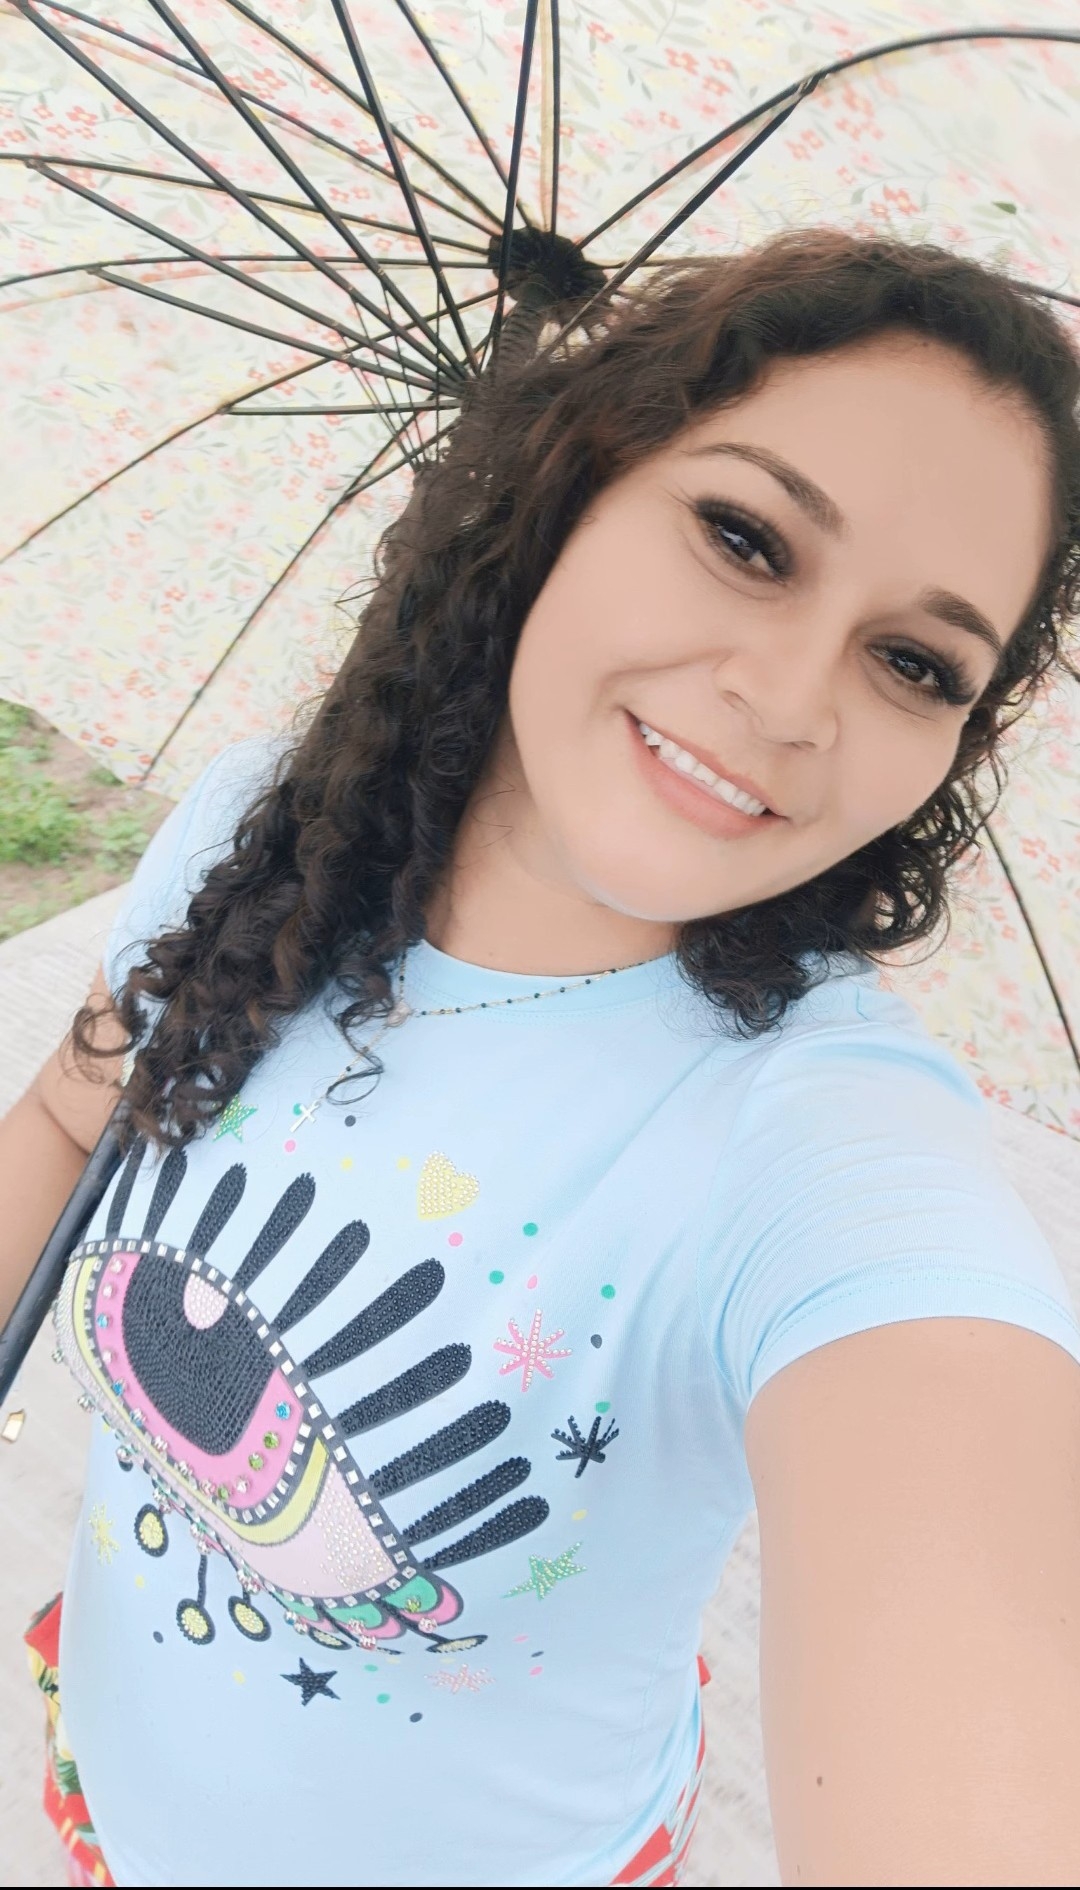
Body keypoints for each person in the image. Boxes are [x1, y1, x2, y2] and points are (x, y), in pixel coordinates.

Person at [3, 228, 1080, 1890]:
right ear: (571, 482)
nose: (791, 697)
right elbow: (74, 1118)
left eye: (915, 662)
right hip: (113, 1795)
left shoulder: (816, 1141)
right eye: (746, 536)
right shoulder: (257, 826)